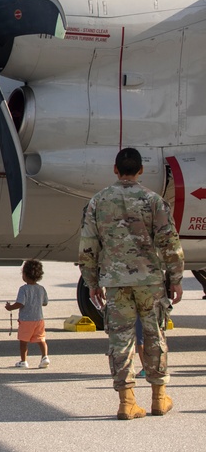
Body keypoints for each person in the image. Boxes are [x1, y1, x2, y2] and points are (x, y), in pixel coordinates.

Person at [79, 147, 184, 419]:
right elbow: (169, 243)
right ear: (140, 171)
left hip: (115, 282)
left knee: (120, 339)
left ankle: (127, 402)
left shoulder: (98, 202)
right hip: (150, 280)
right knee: (155, 335)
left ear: (115, 169)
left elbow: (89, 245)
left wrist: (91, 281)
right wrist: (176, 279)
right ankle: (159, 398)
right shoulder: (154, 200)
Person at [4, 259, 50, 369]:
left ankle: (23, 361)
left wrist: (10, 307)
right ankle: (45, 357)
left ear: (24, 275)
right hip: (39, 319)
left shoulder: (23, 289)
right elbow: (45, 302)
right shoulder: (41, 288)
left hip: (26, 320)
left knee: (23, 341)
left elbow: (20, 303)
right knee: (41, 339)